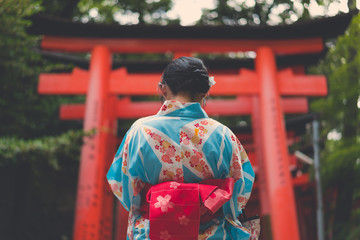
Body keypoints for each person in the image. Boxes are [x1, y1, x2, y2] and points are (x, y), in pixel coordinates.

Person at [107, 57, 257, 240]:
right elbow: (239, 191)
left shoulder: (140, 131)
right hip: (212, 235)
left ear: (163, 88)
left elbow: (124, 188)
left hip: (151, 233)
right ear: (205, 92)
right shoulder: (223, 135)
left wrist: (163, 205)